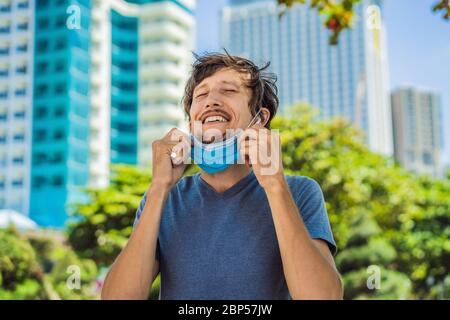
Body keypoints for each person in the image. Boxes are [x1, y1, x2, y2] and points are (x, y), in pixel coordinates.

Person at [101, 52, 343, 300]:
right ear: (191, 120)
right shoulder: (164, 200)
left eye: (228, 91)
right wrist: (158, 189)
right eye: (201, 94)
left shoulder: (299, 191)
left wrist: (274, 186)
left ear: (260, 119)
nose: (211, 101)